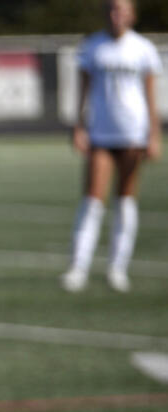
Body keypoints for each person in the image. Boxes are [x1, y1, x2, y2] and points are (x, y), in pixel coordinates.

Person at [62, 0, 162, 293]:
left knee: (125, 200)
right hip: (101, 135)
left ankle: (118, 268)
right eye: (111, 9)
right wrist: (78, 125)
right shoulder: (93, 47)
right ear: (105, 13)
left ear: (132, 14)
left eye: (122, 9)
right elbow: (82, 90)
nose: (116, 15)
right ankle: (78, 267)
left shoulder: (143, 48)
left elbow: (150, 96)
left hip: (133, 133)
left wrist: (154, 134)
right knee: (93, 201)